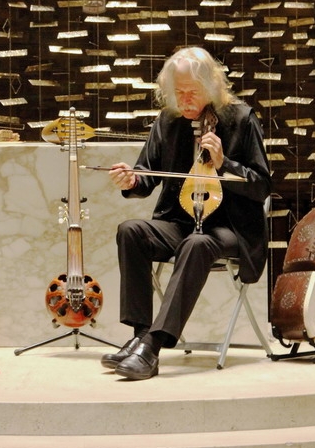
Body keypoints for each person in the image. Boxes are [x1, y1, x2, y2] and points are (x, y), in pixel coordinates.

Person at [104, 46, 271, 380]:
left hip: (230, 228)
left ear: (211, 87)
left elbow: (262, 186)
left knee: (198, 243)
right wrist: (131, 179)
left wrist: (225, 163)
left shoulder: (241, 119)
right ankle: (140, 333)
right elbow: (146, 174)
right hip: (179, 221)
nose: (185, 100)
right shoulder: (168, 121)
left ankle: (152, 347)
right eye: (178, 92)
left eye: (192, 92)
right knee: (131, 230)